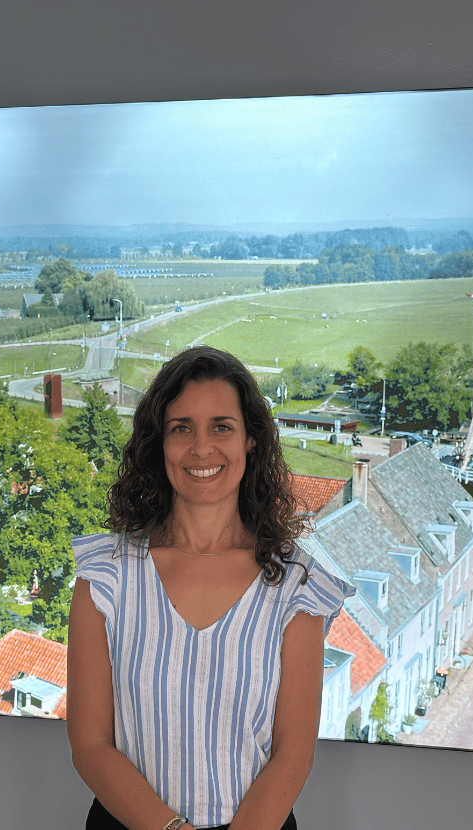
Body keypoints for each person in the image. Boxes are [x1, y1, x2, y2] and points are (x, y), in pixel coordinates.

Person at [67, 346, 354, 830]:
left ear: (251, 440)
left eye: (221, 426)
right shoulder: (105, 578)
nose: (201, 449)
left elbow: (293, 755)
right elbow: (90, 746)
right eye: (181, 428)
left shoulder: (297, 587)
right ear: (159, 442)